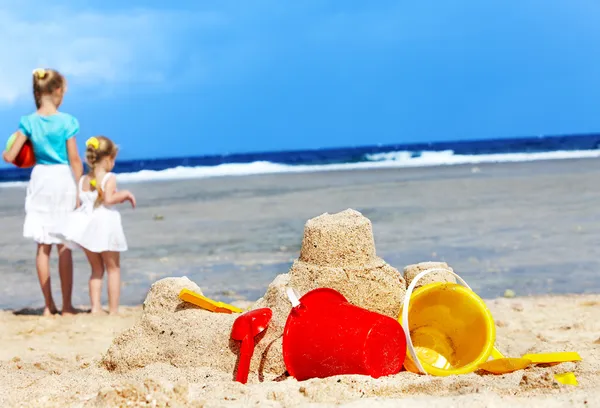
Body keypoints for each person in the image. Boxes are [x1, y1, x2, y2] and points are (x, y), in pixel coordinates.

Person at [2, 68, 83, 316]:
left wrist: (22, 147)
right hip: (61, 178)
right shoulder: (67, 121)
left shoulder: (28, 122)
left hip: (40, 179)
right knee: (64, 245)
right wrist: (81, 191)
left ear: (37, 91)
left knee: (43, 246)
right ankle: (67, 306)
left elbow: (9, 156)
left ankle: (49, 307)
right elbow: (75, 160)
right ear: (58, 90)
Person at [55, 136, 135, 315]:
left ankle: (96, 308)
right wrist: (124, 195)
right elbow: (108, 199)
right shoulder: (109, 177)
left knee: (96, 269)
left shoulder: (83, 180)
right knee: (113, 268)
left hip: (87, 228)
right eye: (113, 158)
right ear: (108, 158)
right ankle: (113, 310)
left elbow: (79, 205)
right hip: (106, 226)